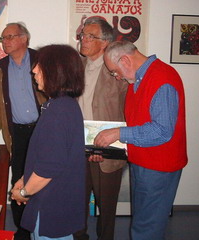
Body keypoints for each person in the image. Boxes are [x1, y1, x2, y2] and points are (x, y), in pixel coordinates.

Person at [94, 40, 188, 240]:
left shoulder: (162, 79)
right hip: (143, 162)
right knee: (143, 221)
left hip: (158, 167)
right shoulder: (138, 79)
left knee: (147, 228)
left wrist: (119, 133)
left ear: (125, 60)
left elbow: (162, 131)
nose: (116, 77)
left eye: (114, 71)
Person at [0, 22, 47, 240]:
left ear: (25, 38)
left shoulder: (43, 61)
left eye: (10, 36)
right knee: (19, 183)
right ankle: (23, 231)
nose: (5, 41)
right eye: (3, 38)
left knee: (46, 179)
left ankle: (44, 227)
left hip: (44, 130)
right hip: (19, 134)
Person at [11, 44, 86, 240]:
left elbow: (48, 168)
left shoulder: (58, 112)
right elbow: (47, 155)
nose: (34, 70)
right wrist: (24, 179)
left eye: (40, 66)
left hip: (52, 205)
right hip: (57, 199)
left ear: (56, 71)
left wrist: (24, 192)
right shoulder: (62, 105)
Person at [74, 17, 128, 240]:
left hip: (108, 150)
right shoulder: (76, 67)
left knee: (106, 208)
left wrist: (104, 148)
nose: (83, 40)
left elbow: (128, 113)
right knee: (77, 202)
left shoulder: (117, 71)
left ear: (105, 42)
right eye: (83, 35)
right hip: (77, 148)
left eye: (90, 36)